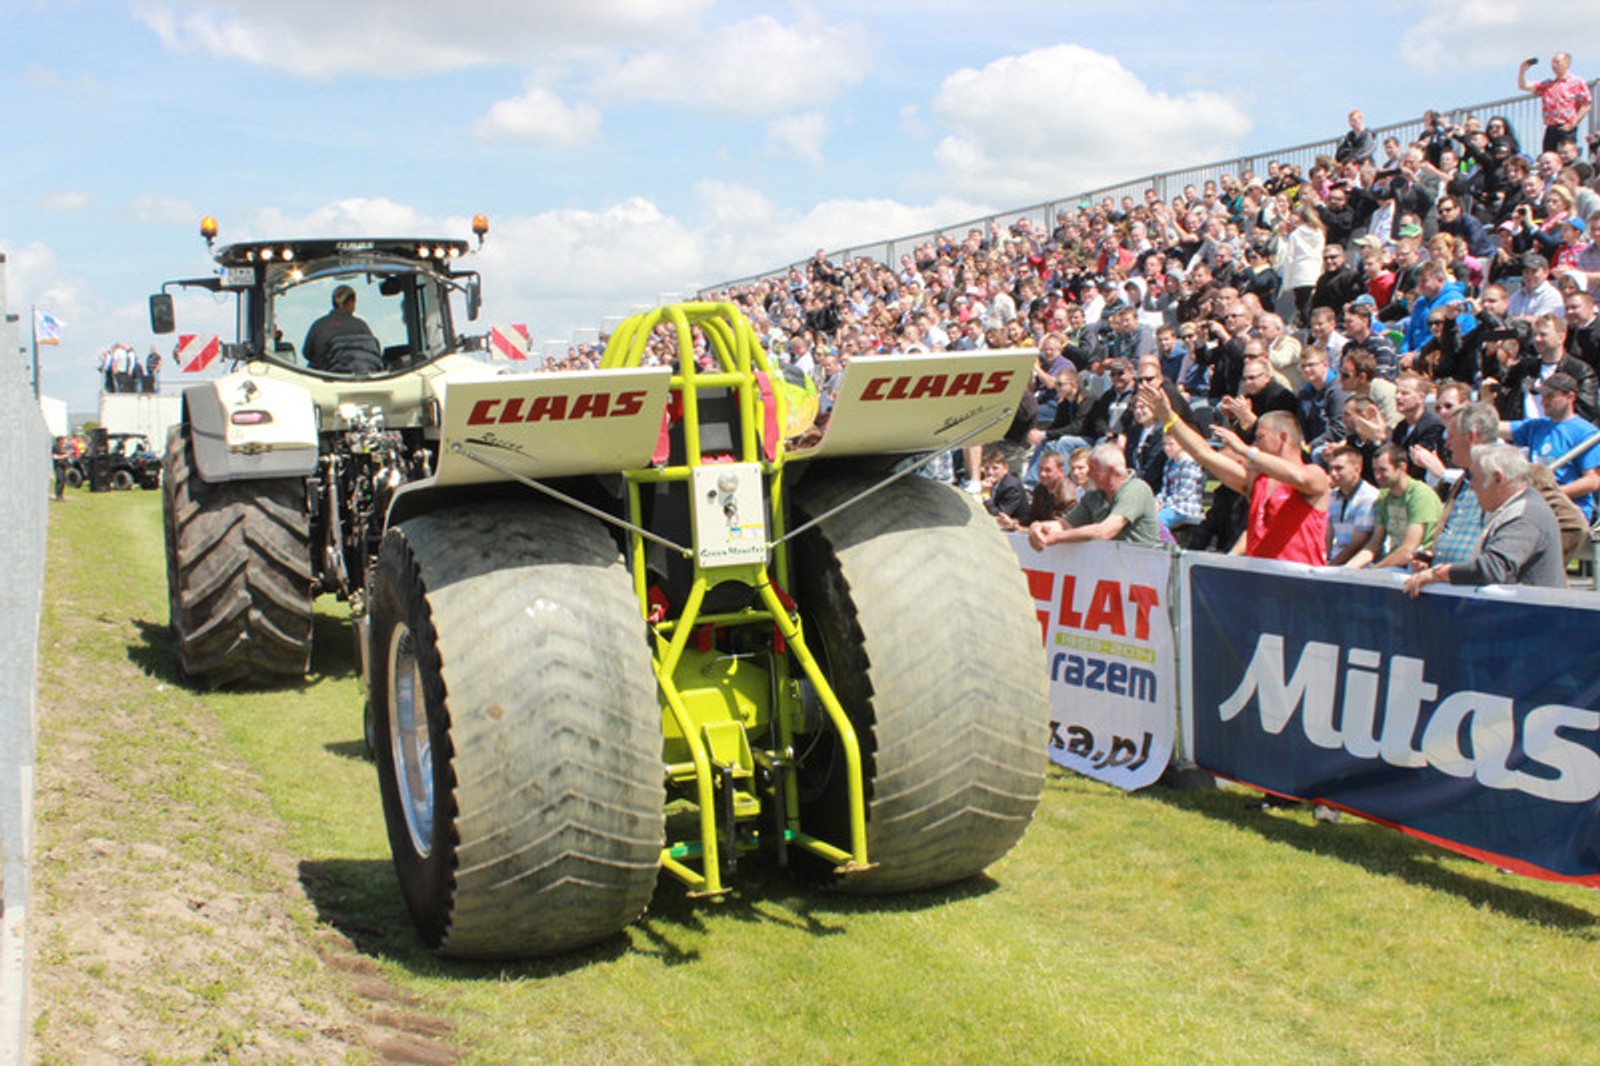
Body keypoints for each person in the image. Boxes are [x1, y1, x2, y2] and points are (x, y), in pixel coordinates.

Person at [1142, 382, 1330, 562]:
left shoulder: (1315, 474)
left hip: (1302, 584)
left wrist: (1244, 450)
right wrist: (1169, 417)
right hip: (1260, 581)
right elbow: (1203, 454)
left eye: (1260, 438)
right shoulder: (1257, 480)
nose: (1255, 444)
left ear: (1283, 438)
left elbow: (1298, 477)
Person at [1404, 443, 1567, 593]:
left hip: (1528, 619)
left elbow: (1493, 568)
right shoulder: (1510, 509)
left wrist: (1437, 573)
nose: (1472, 486)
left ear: (1497, 478)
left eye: (1475, 478)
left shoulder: (1527, 515)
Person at [1501, 371, 1600, 520]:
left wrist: (1554, 493)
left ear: (1570, 397)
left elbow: (1592, 481)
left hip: (1570, 511)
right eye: (1542, 396)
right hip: (1537, 507)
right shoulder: (1536, 427)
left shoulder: (1585, 433)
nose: (1543, 401)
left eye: (1550, 396)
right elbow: (1499, 428)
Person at [1026, 442, 1163, 549]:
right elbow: (1065, 524)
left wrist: (1057, 538)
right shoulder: (1093, 495)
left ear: (1110, 471)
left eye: (1094, 470)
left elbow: (1106, 530)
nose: (1088, 475)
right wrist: (1038, 527)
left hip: (1145, 573)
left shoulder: (1135, 489)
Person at [1344, 443, 1443, 568]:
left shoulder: (1420, 495)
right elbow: (1375, 543)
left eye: (1383, 470)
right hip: (1394, 564)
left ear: (1402, 467)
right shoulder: (1385, 496)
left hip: (1418, 565)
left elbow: (1408, 549)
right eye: (1375, 470)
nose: (1377, 476)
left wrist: (1373, 571)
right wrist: (1348, 569)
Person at [1519, 52, 1593, 155]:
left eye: (1557, 62)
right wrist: (1522, 70)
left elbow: (1586, 103)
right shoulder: (1548, 84)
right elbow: (1524, 86)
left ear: (1567, 63)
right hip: (1551, 128)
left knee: (1566, 156)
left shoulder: (1576, 82)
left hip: (1565, 126)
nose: (1554, 65)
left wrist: (1574, 122)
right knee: (1549, 156)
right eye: (1553, 62)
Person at [303, 284, 382, 373]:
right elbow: (372, 351)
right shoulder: (361, 325)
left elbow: (307, 354)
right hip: (361, 377)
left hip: (326, 378)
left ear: (333, 303)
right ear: (351, 302)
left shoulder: (318, 325)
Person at [1325, 444, 1379, 565]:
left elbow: (1358, 543)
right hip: (1335, 559)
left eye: (1339, 468)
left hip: (1359, 565)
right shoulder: (1332, 496)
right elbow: (1327, 536)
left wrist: (1330, 567)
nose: (1333, 473)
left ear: (1357, 469)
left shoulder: (1369, 497)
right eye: (1331, 468)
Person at [982, 447, 1030, 527]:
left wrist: (986, 494)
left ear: (1005, 468)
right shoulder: (988, 481)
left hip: (1017, 526)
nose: (990, 472)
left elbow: (998, 516)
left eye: (995, 468)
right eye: (987, 468)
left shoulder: (1011, 487)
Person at [51, 436, 70, 501]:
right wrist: (64, 456)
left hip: (63, 465)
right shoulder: (55, 447)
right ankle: (58, 495)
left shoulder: (63, 447)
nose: (64, 441)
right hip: (58, 466)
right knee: (60, 479)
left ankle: (61, 495)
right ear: (59, 441)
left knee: (63, 480)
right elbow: (55, 457)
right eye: (63, 440)